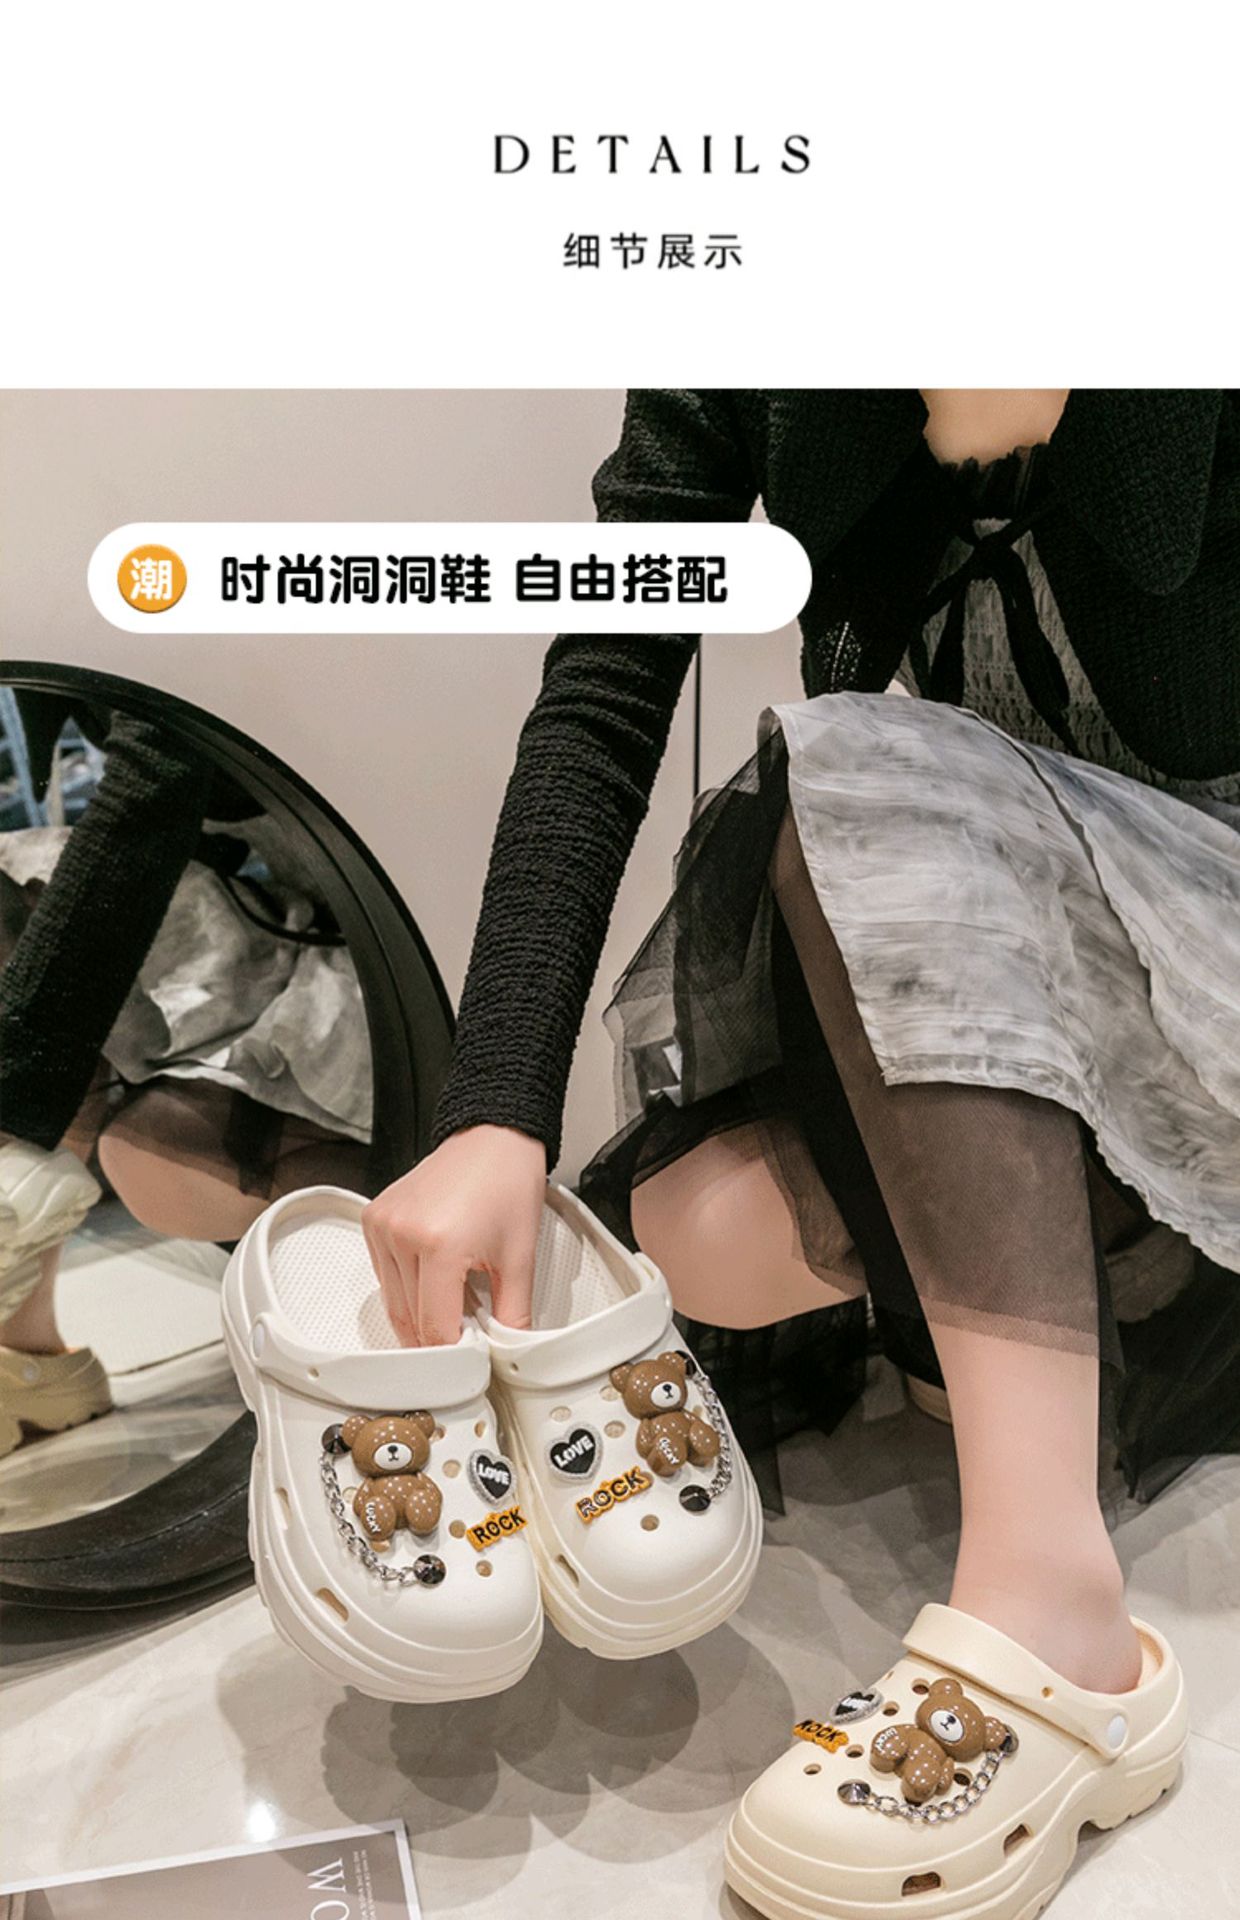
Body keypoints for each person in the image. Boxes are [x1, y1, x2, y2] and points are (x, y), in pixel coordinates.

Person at [362, 388, 1240, 1712]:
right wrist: (491, 1111)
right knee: (696, 1233)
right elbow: (605, 682)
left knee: (877, 761)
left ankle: (1051, 1604)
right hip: (972, 950)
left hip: (1208, 925)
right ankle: (1113, 1268)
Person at [0, 703, 372, 1455]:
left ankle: (469, 1253)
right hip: (258, 891)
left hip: (390, 917)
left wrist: (18, 1105)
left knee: (158, 1162)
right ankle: (24, 1354)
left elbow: (159, 766)